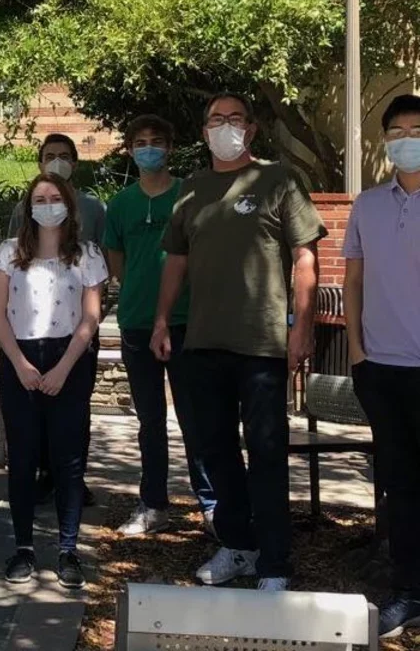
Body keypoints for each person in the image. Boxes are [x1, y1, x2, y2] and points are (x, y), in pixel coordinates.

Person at [152, 92, 326, 592]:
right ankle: (238, 545)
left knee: (266, 452)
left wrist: (303, 327)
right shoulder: (192, 190)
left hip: (262, 345)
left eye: (234, 119)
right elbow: (176, 262)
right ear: (204, 130)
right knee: (214, 450)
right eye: (214, 119)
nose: (224, 126)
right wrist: (162, 321)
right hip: (204, 343)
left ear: (250, 129)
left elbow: (306, 259)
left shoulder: (279, 180)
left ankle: (274, 563)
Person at [103, 115, 216, 537]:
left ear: (170, 147)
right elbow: (118, 263)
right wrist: (140, 294)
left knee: (194, 417)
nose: (148, 148)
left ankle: (211, 505)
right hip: (136, 323)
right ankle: (153, 504)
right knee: (150, 421)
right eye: (140, 142)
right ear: (130, 149)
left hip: (187, 321)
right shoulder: (121, 203)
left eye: (157, 141)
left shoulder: (190, 194)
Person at [0, 173, 106, 589]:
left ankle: (68, 549)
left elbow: (91, 317)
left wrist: (64, 367)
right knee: (22, 459)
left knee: (68, 461)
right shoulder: (9, 252)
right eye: (39, 198)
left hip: (68, 360)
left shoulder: (88, 254)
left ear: (69, 205)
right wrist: (20, 363)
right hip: (20, 357)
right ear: (28, 206)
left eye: (55, 197)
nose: (47, 205)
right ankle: (23, 548)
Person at [343, 94, 420, 638]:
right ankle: (409, 591)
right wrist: (356, 352)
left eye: (416, 129)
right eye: (397, 131)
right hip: (382, 369)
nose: (406, 139)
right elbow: (352, 281)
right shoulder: (367, 205)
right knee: (402, 485)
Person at [8, 133, 106, 507]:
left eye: (64, 156)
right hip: (33, 329)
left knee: (75, 409)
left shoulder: (95, 209)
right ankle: (43, 475)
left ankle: (73, 479)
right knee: (35, 409)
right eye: (50, 156)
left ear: (75, 163)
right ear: (40, 162)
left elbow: (100, 270)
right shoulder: (24, 208)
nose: (57, 162)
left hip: (78, 329)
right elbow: (13, 264)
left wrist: (91, 320)